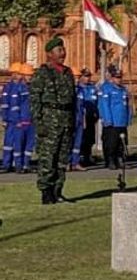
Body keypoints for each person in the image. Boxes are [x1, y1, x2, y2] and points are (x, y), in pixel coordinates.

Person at [31, 39, 76, 204]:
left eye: (63, 50)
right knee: (48, 157)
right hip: (49, 120)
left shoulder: (68, 72)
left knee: (62, 158)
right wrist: (39, 122)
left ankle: (58, 190)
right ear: (50, 54)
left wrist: (73, 120)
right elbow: (35, 100)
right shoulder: (42, 73)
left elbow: (73, 99)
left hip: (66, 120)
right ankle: (46, 191)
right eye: (59, 50)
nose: (62, 53)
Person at [2, 63, 35, 173]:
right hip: (18, 121)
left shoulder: (32, 88)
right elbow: (12, 106)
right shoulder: (15, 88)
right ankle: (16, 165)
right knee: (15, 144)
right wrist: (11, 119)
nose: (30, 77)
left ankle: (26, 164)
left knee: (29, 145)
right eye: (28, 75)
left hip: (30, 121)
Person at [98, 66, 131, 172]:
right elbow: (104, 105)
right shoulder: (106, 88)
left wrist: (128, 118)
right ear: (112, 78)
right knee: (111, 143)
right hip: (112, 121)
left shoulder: (123, 90)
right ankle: (110, 160)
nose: (119, 79)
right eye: (116, 77)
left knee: (122, 142)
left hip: (121, 121)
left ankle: (120, 159)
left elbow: (127, 105)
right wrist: (107, 119)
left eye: (120, 77)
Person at [71, 67, 99, 169]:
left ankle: (80, 159)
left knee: (88, 138)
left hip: (86, 117)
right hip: (73, 118)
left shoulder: (85, 89)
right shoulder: (70, 90)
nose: (87, 78)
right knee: (73, 140)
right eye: (85, 76)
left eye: (88, 76)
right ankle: (71, 161)